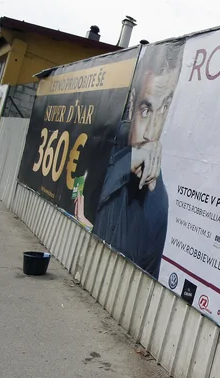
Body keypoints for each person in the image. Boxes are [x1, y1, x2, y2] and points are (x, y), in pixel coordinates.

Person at [75, 44, 182, 279]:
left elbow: (146, 276)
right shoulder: (104, 140)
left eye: (164, 108)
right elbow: (78, 185)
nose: (151, 133)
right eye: (146, 110)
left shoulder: (157, 195)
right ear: (132, 101)